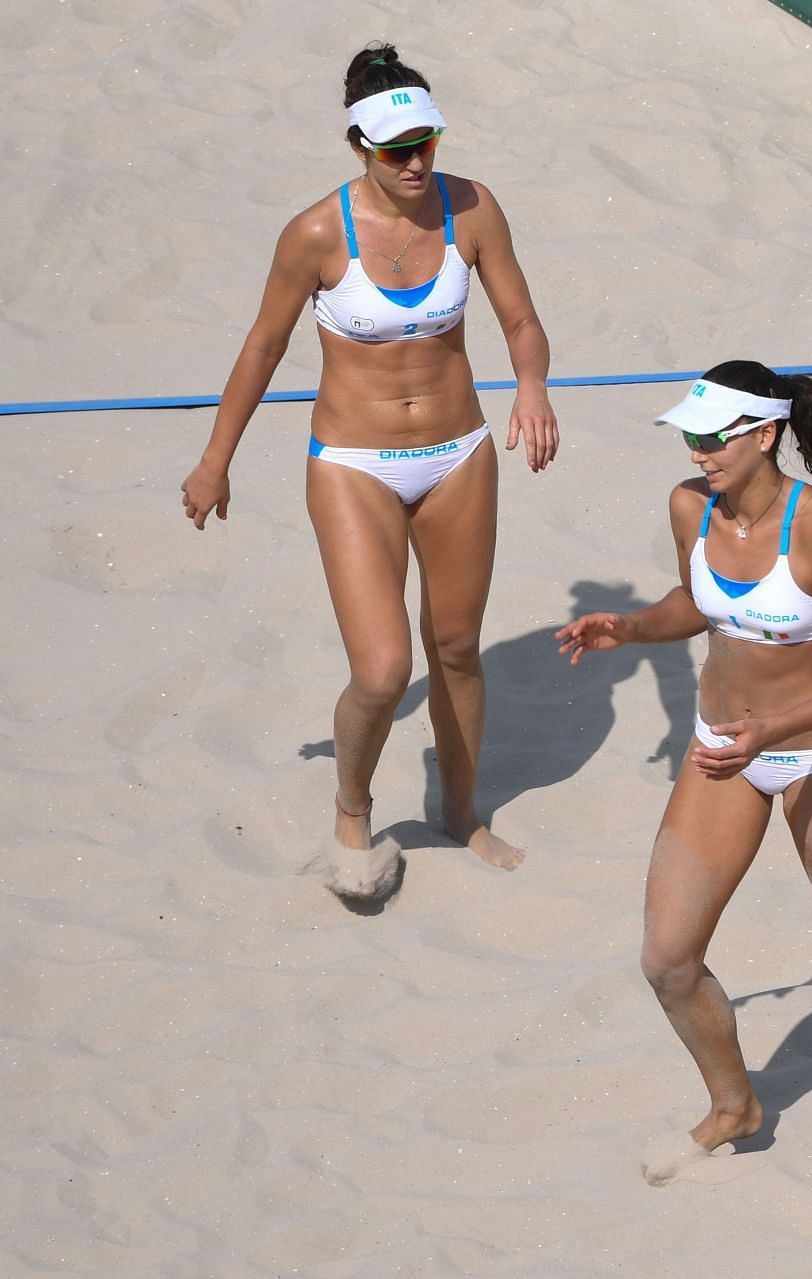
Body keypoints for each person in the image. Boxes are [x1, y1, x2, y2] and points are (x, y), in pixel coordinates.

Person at [180, 43, 559, 899]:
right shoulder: (316, 233)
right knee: (386, 668)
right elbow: (263, 347)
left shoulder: (474, 209)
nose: (418, 161)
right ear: (358, 146)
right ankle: (353, 809)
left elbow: (522, 319)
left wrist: (531, 385)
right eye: (397, 150)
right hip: (353, 463)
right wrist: (215, 460)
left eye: (426, 140)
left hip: (459, 454)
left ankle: (461, 812)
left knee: (457, 646)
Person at [556, 362, 812, 1181]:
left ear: (764, 435)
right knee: (667, 958)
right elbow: (704, 604)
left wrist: (776, 729)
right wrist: (634, 628)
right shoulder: (692, 505)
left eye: (714, 436)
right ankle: (734, 1105)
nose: (698, 449)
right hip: (724, 747)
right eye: (691, 434)